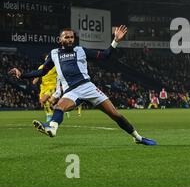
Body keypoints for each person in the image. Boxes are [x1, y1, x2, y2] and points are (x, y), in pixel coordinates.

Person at [8, 26, 156, 146]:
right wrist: (22, 75)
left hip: (88, 87)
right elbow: (42, 72)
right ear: (60, 39)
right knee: (59, 107)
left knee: (115, 115)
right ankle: (52, 128)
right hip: (71, 91)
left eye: (72, 37)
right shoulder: (54, 54)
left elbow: (105, 55)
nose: (70, 39)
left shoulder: (81, 50)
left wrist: (115, 41)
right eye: (67, 37)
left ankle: (137, 137)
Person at [32, 55, 57, 122]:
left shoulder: (55, 67)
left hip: (52, 86)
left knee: (43, 100)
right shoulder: (41, 67)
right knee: (42, 102)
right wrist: (35, 80)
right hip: (43, 87)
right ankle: (56, 109)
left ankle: (49, 114)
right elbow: (37, 75)